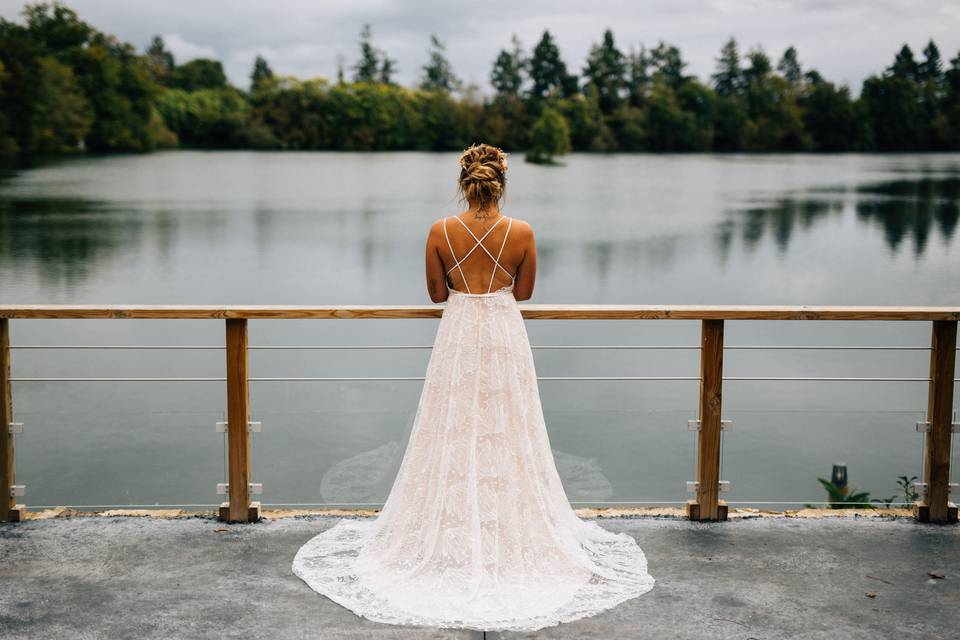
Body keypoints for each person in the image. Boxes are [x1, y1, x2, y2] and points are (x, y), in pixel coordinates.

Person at [292, 143, 655, 632]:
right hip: (504, 331)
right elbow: (523, 293)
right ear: (501, 184)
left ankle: (449, 526)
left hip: (459, 333)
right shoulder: (522, 232)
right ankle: (507, 523)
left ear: (464, 182)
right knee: (510, 428)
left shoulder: (440, 231)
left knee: (452, 424)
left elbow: (437, 294)